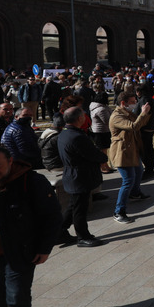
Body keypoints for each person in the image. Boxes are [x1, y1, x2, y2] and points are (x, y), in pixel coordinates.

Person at [0, 144, 63, 307]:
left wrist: (44, 248)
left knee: (16, 297)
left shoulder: (31, 181)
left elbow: (52, 216)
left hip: (17, 251)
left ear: (10, 161)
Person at [58, 106, 109, 247]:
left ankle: (59, 231)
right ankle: (83, 236)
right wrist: (102, 157)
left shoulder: (65, 133)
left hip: (73, 174)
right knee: (80, 208)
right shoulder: (77, 136)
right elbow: (93, 154)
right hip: (79, 176)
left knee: (73, 205)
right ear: (80, 118)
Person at [109, 91, 152, 223]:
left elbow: (140, 123)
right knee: (128, 180)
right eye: (133, 102)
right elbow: (134, 126)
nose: (135, 104)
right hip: (122, 153)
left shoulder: (127, 113)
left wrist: (147, 114)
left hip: (132, 150)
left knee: (139, 171)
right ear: (123, 103)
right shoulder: (117, 116)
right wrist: (143, 113)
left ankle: (135, 193)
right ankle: (119, 211)